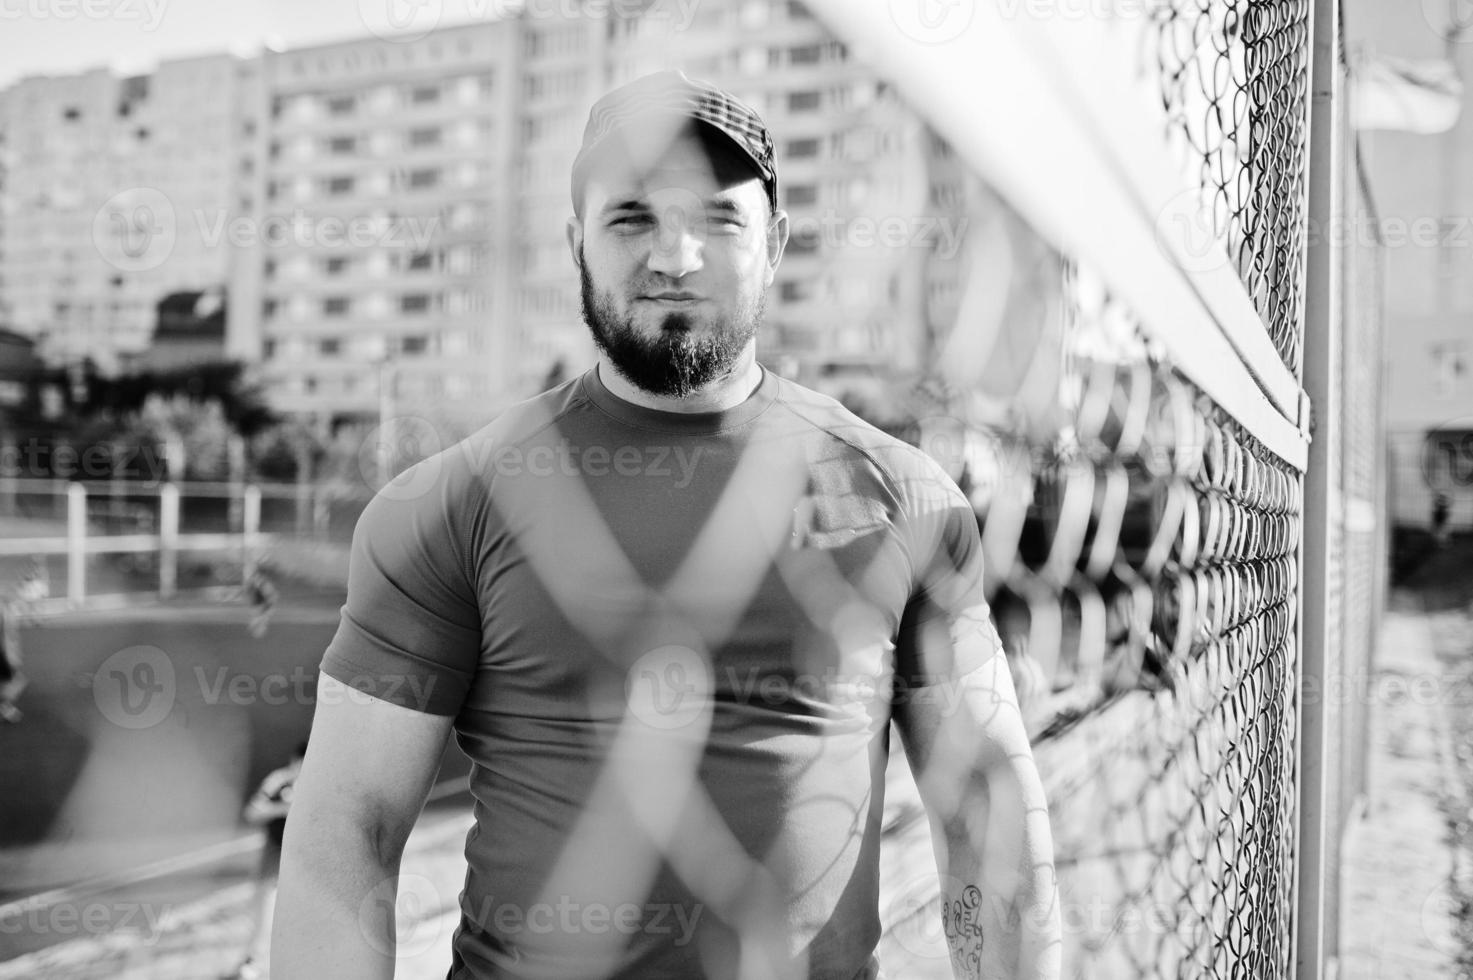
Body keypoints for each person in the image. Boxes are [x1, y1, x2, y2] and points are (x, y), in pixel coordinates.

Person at [274, 71, 1060, 980]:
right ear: (577, 244)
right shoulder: (450, 503)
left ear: (776, 246)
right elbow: (347, 827)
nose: (673, 255)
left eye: (718, 220)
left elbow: (984, 818)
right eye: (631, 217)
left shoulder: (905, 500)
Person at [226, 740, 307, 980]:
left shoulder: (322, 782)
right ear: (294, 762)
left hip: (305, 854)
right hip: (274, 851)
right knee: (262, 906)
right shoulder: (279, 780)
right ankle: (252, 961)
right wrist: (286, 808)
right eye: (301, 763)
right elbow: (253, 811)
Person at [245, 562, 278, 639]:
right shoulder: (256, 582)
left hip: (262, 604)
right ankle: (258, 628)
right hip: (260, 604)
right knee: (260, 616)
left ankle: (258, 628)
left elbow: (271, 596)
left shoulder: (261, 582)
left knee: (261, 616)